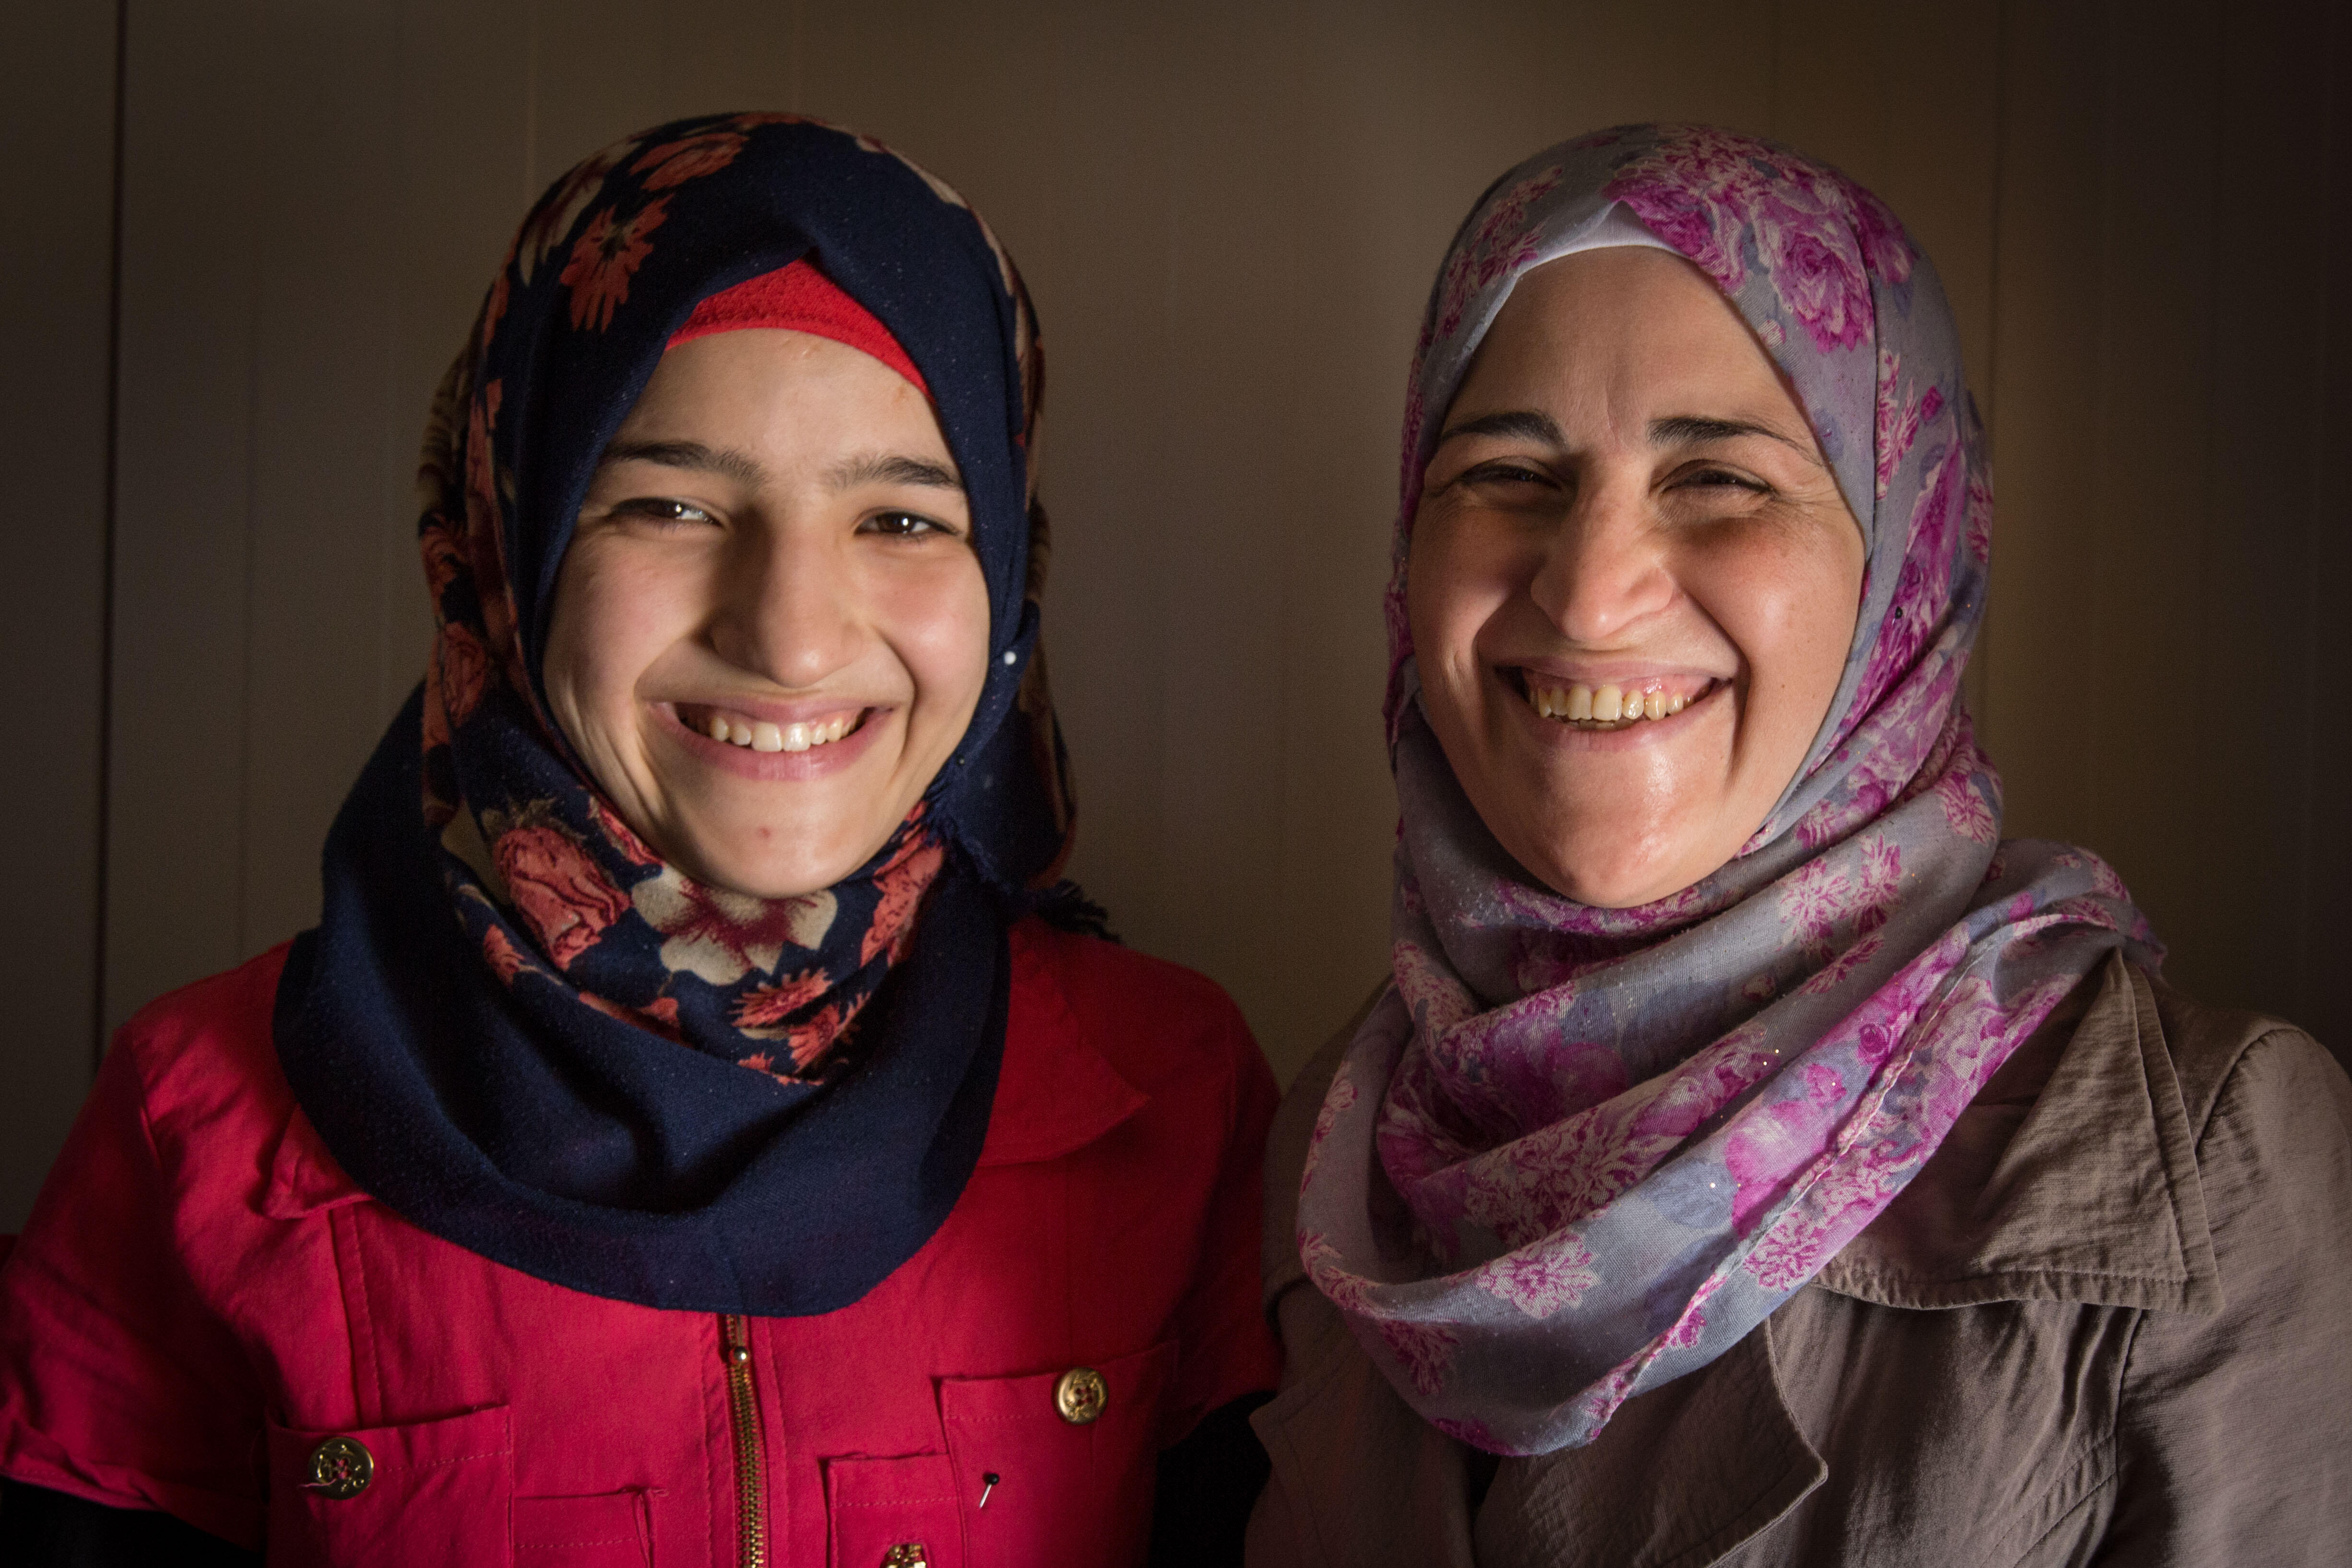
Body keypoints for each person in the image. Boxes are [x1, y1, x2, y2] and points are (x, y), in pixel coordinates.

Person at [0, 113, 1279, 1568]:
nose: (791, 633)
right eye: (670, 502)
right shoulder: (203, 1136)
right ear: (503, 548)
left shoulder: (1166, 1101)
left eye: (903, 519)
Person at [1247, 124, 2352, 1565]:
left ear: (1909, 567)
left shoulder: (2212, 1164)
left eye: (1721, 480)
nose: (1588, 594)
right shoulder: (1342, 1130)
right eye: (1507, 473)